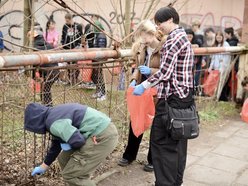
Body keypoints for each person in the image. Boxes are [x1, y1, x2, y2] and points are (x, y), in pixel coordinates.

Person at [133, 7, 194, 186]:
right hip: (185, 98)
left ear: (169, 20)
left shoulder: (173, 40)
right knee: (179, 143)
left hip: (171, 100)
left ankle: (165, 183)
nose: (159, 28)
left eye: (160, 23)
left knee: (161, 143)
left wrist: (144, 85)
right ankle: (176, 182)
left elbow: (165, 73)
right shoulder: (184, 38)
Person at [24, 102, 118, 186]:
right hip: (99, 131)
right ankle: (80, 181)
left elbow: (78, 141)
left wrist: (69, 143)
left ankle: (79, 179)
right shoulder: (53, 114)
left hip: (102, 135)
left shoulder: (53, 123)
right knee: (64, 159)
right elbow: (56, 145)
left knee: (71, 176)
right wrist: (43, 166)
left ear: (35, 122)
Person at [118, 20, 164, 172]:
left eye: (144, 36)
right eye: (141, 37)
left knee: (156, 126)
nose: (142, 40)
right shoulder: (140, 48)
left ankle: (153, 159)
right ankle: (129, 155)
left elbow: (167, 71)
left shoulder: (164, 46)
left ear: (151, 33)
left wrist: (150, 70)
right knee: (136, 121)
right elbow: (137, 67)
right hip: (141, 88)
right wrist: (133, 80)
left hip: (157, 90)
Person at [28, 24, 59, 106]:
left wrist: (33, 77)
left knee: (45, 89)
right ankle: (47, 105)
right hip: (55, 71)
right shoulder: (49, 45)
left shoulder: (34, 48)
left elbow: (34, 64)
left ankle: (48, 106)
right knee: (45, 89)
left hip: (48, 72)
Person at [208, 31, 231, 100]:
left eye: (220, 37)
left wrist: (222, 67)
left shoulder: (226, 45)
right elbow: (213, 57)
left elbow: (227, 57)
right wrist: (211, 67)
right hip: (216, 68)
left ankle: (222, 98)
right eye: (217, 37)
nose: (218, 39)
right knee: (215, 83)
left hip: (223, 67)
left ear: (222, 37)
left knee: (223, 83)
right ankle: (215, 96)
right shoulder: (216, 45)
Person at [61, 13, 83, 85]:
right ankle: (70, 80)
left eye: (67, 21)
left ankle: (75, 79)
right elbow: (63, 36)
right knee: (68, 64)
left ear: (71, 19)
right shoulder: (65, 26)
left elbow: (81, 37)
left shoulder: (78, 26)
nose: (66, 22)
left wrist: (79, 45)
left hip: (75, 48)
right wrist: (62, 45)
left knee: (75, 64)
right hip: (67, 48)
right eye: (65, 21)